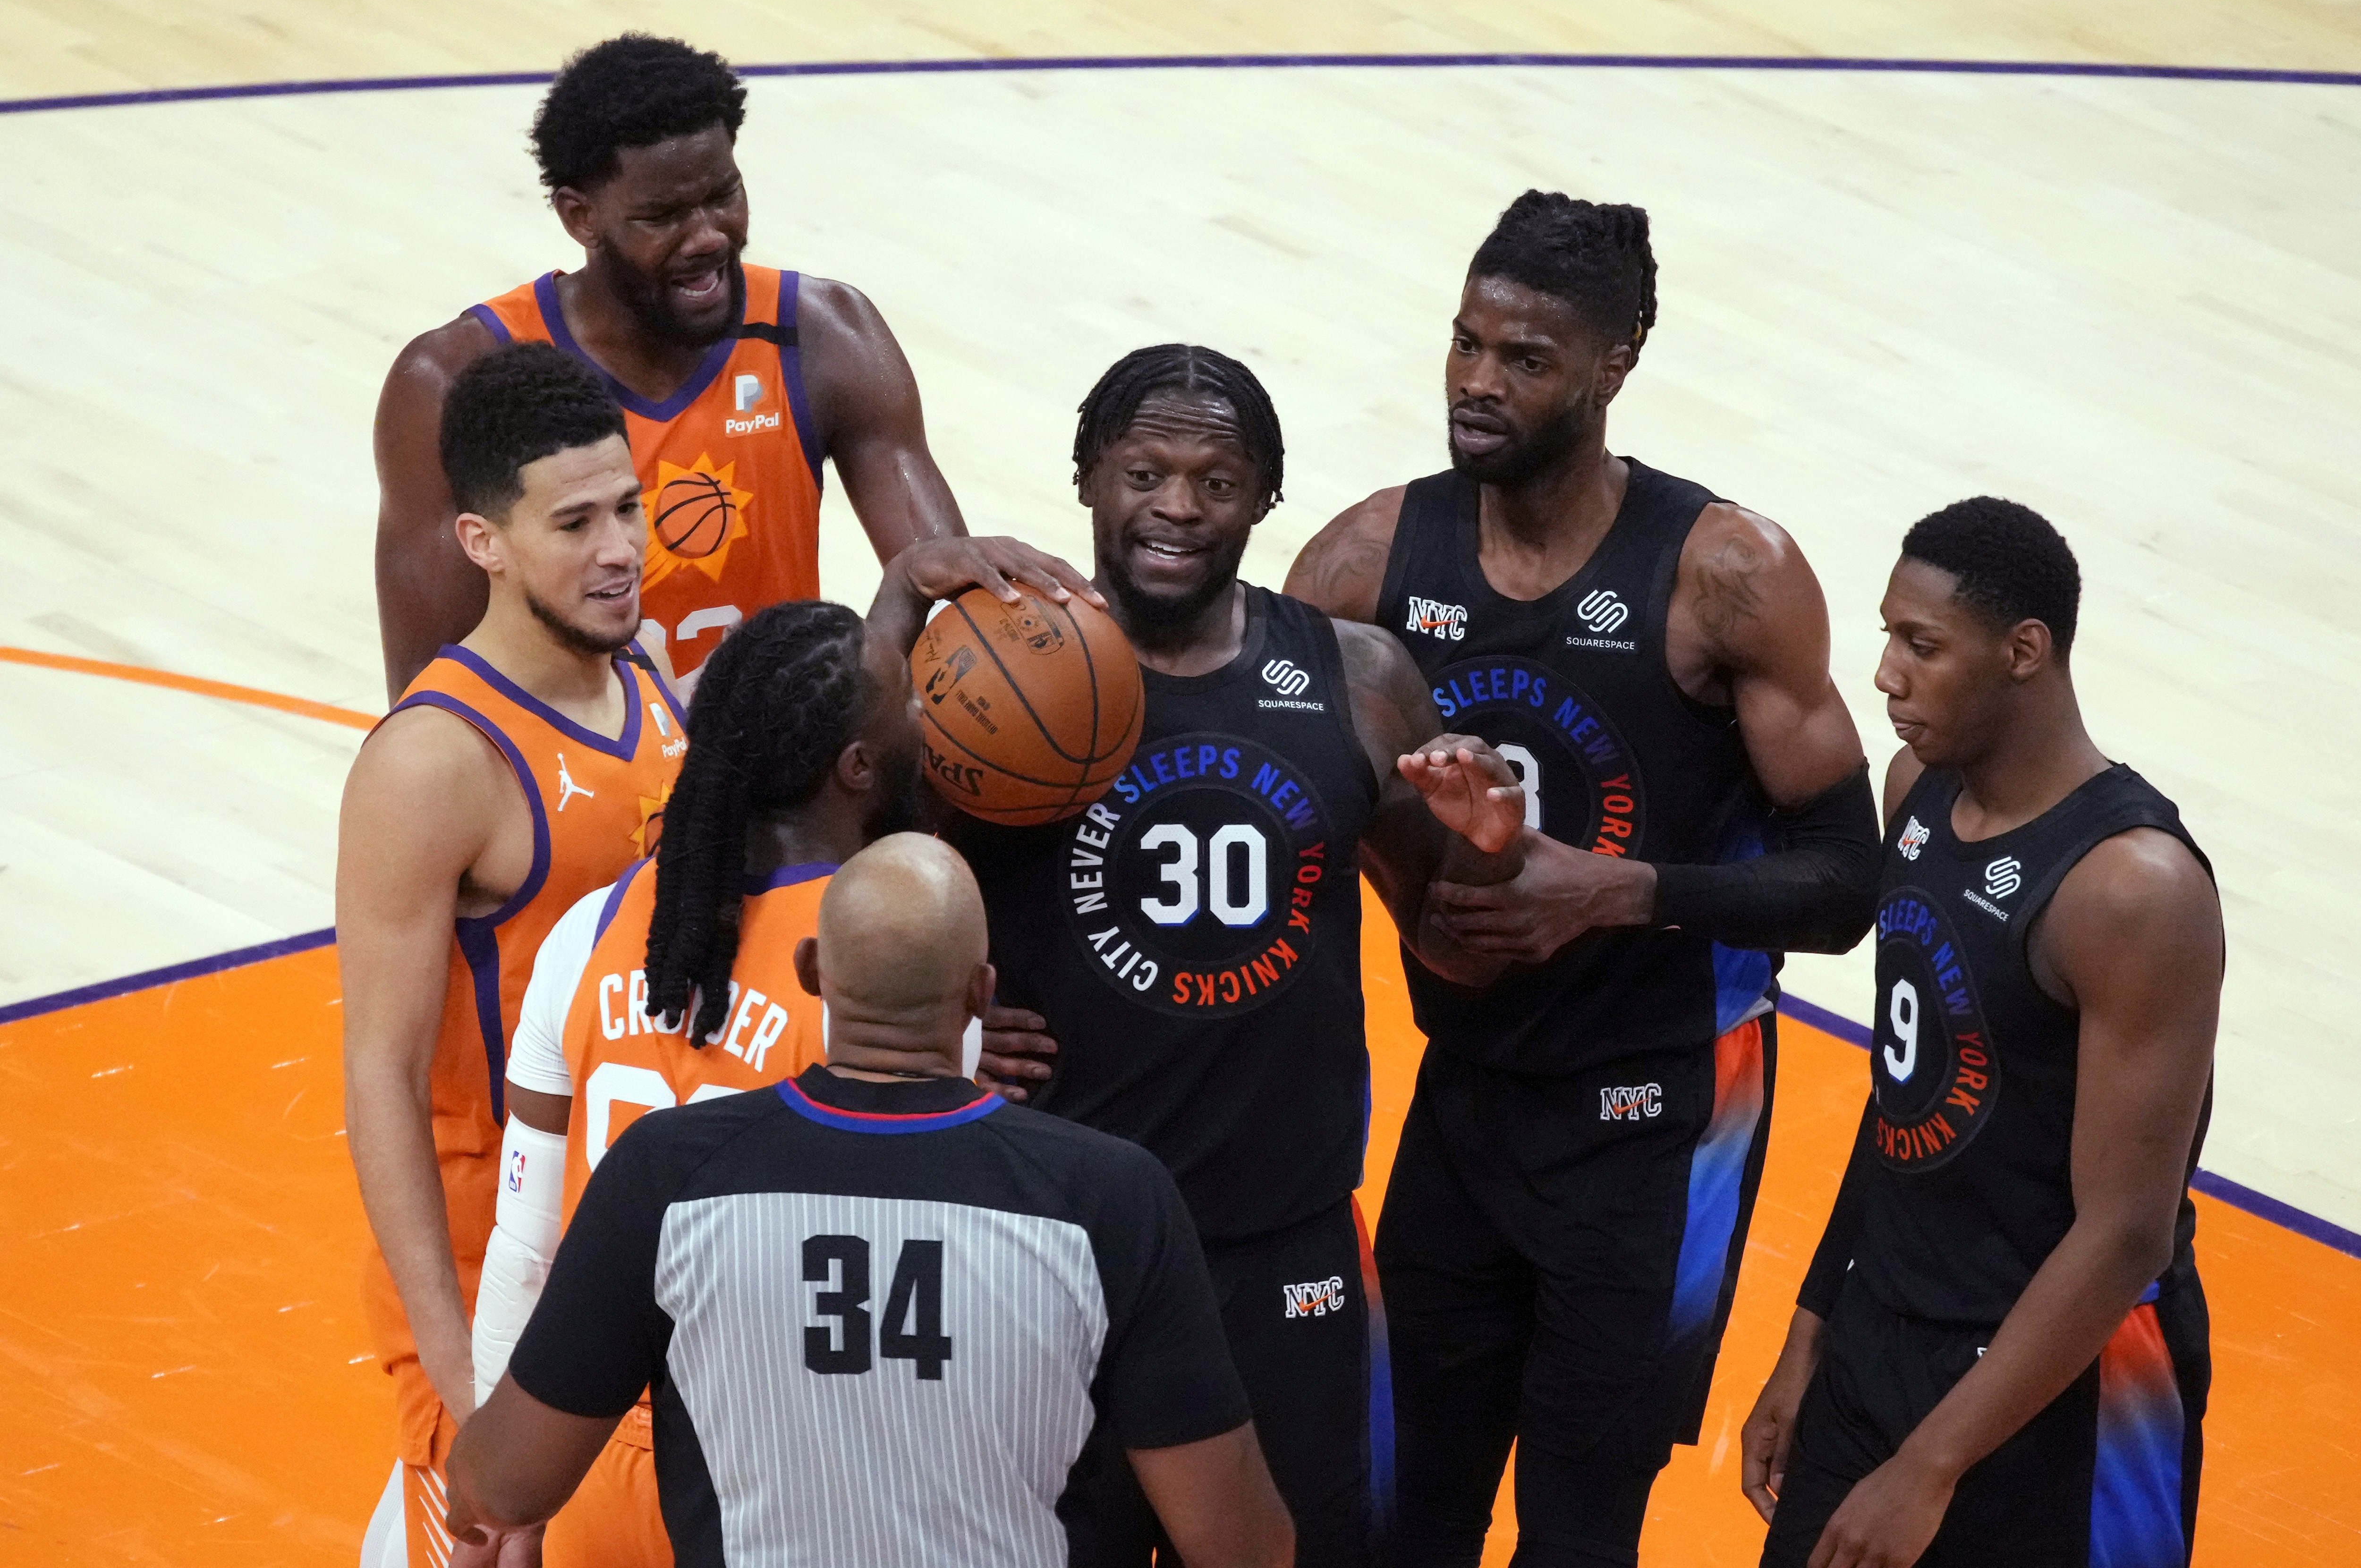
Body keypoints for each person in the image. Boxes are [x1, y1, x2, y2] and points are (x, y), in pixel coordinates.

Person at [1284, 190, 1882, 1563]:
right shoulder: (1371, 557)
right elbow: (1300, 796)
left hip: (1656, 1118)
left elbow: (1847, 885)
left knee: (1581, 1524)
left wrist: (1613, 889)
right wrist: (1415, 907)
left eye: (1527, 358)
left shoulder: (1725, 574)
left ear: (1615, 367)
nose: (1481, 384)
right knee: (1406, 1507)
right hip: (1465, 1102)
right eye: (1467, 344)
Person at [954, 343, 1527, 1568]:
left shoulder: (1361, 679)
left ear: (1267, 496)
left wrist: (1480, 856)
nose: (1176, 506)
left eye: (1216, 480)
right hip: (1058, 1242)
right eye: (1145, 470)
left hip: (1283, 1244)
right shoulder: (995, 680)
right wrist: (950, 1039)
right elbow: (861, 910)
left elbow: (1456, 956)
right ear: (1086, 478)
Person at [470, 536, 1096, 1568]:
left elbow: (525, 1246)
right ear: (858, 767)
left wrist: (513, 1494)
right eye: (909, 706)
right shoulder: (885, 976)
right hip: (766, 1478)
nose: (927, 719)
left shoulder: (596, 927)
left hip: (586, 1457)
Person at [445, 834, 1296, 1568]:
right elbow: (1244, 1547)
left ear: (812, 971)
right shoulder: (1112, 1197)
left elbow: (505, 1484)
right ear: (978, 991)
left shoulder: (664, 1178)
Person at [1741, 499, 2220, 1568]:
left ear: (2022, 652)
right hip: (1886, 1336)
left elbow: (2125, 1233)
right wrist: (1812, 1328)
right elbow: (1904, 1099)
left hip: (2064, 1384)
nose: (1884, 675)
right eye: (1885, 636)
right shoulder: (1915, 793)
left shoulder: (2132, 889)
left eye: (1920, 645)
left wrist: (1930, 1462)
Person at [340, 341, 686, 1568]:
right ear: (483, 539)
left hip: (624, 1241)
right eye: (575, 521)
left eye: (630, 508)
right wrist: (459, 1368)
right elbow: (377, 1077)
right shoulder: (432, 761)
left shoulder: (644, 676)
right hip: (504, 1269)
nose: (619, 548)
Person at [375, 33, 964, 701]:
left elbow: (955, 610)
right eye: (664, 216)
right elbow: (431, 696)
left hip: (770, 792)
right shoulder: (456, 380)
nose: (709, 233)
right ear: (580, 217)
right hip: (573, 787)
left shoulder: (825, 337)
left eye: (724, 195)